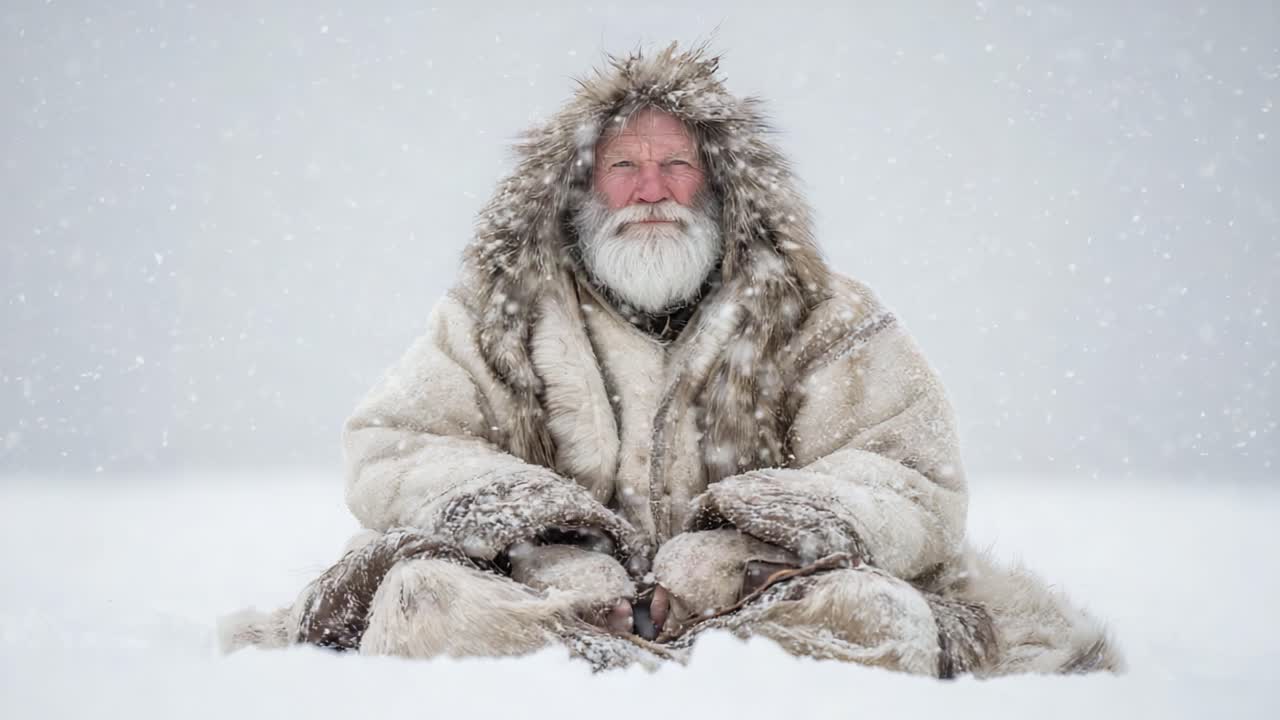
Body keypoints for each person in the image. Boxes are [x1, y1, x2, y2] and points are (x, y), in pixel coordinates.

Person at [222, 44, 1122, 677]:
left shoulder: (825, 313)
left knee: (881, 619)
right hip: (539, 612)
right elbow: (393, 441)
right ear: (579, 188)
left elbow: (911, 470)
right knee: (423, 604)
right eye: (623, 166)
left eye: (675, 165)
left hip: (764, 610)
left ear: (721, 183)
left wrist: (740, 549)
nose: (651, 190)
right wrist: (549, 543)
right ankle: (596, 672)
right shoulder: (495, 318)